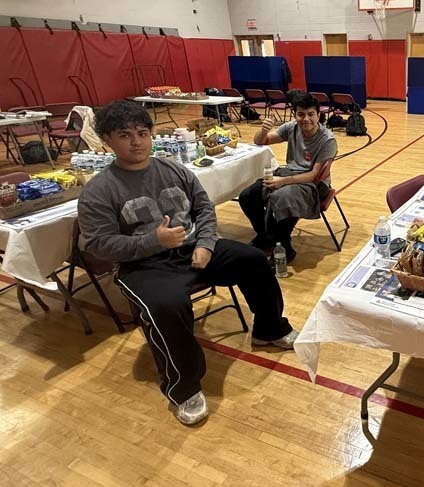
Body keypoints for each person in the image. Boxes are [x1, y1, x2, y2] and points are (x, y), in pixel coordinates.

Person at [78, 101, 296, 426]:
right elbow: (98, 244)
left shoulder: (173, 169)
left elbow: (204, 208)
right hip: (143, 265)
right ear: (107, 141)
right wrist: (154, 240)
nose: (136, 142)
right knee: (167, 306)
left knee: (253, 260)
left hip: (194, 249)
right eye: (125, 135)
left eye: (142, 133)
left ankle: (268, 329)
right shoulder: (99, 190)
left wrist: (207, 243)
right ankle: (183, 388)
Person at [238, 91, 337, 263]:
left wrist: (281, 182)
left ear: (318, 115)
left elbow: (314, 176)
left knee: (280, 197)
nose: (306, 119)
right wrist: (262, 131)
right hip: (289, 174)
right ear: (294, 114)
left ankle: (283, 246)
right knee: (248, 195)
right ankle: (266, 236)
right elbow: (261, 141)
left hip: (314, 184)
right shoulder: (292, 127)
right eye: (300, 114)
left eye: (310, 114)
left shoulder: (328, 140)